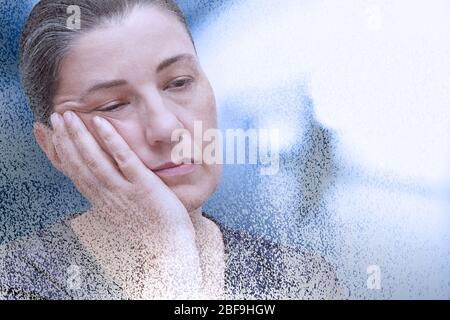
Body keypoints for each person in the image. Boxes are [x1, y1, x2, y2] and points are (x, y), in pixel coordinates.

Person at [0, 0, 344, 299]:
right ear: (54, 147)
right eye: (113, 105)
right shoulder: (16, 283)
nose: (166, 128)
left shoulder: (304, 280)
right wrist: (169, 256)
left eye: (179, 83)